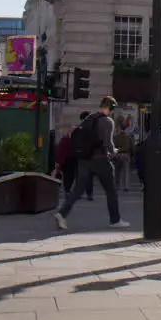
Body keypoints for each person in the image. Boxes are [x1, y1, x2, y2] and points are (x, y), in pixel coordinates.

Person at [52, 96, 129, 230]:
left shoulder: (89, 119)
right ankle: (115, 220)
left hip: (84, 159)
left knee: (77, 190)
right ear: (111, 108)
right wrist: (114, 151)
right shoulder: (107, 121)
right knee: (111, 191)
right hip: (100, 160)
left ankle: (62, 213)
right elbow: (108, 143)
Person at [113, 124, 134, 191]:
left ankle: (117, 186)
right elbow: (132, 147)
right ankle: (126, 186)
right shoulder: (128, 137)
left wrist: (115, 155)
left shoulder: (116, 137)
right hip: (126, 154)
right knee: (126, 171)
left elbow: (114, 147)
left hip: (118, 154)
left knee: (117, 171)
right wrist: (133, 155)